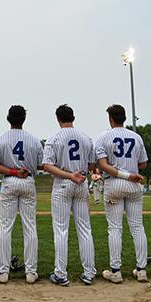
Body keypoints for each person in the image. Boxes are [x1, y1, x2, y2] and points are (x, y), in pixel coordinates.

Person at [43, 104, 96, 286]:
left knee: (61, 229)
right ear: (73, 117)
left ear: (58, 119)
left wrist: (68, 174)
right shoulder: (85, 137)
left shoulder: (54, 138)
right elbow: (91, 165)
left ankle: (60, 274)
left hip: (63, 183)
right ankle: (89, 273)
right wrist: (77, 173)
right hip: (81, 183)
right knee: (84, 228)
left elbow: (47, 166)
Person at [95, 104, 148, 283]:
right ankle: (141, 270)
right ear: (124, 118)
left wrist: (121, 170)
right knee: (137, 227)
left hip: (114, 183)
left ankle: (116, 271)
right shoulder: (136, 136)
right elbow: (143, 164)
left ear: (110, 118)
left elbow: (102, 164)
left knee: (115, 228)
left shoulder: (103, 137)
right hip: (134, 185)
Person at [0, 105, 43, 284]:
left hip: (9, 181)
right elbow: (40, 165)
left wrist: (13, 171)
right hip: (28, 181)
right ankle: (31, 272)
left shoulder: (0, 139)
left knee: (5, 227)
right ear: (24, 119)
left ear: (8, 118)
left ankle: (3, 271)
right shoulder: (34, 140)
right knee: (30, 227)